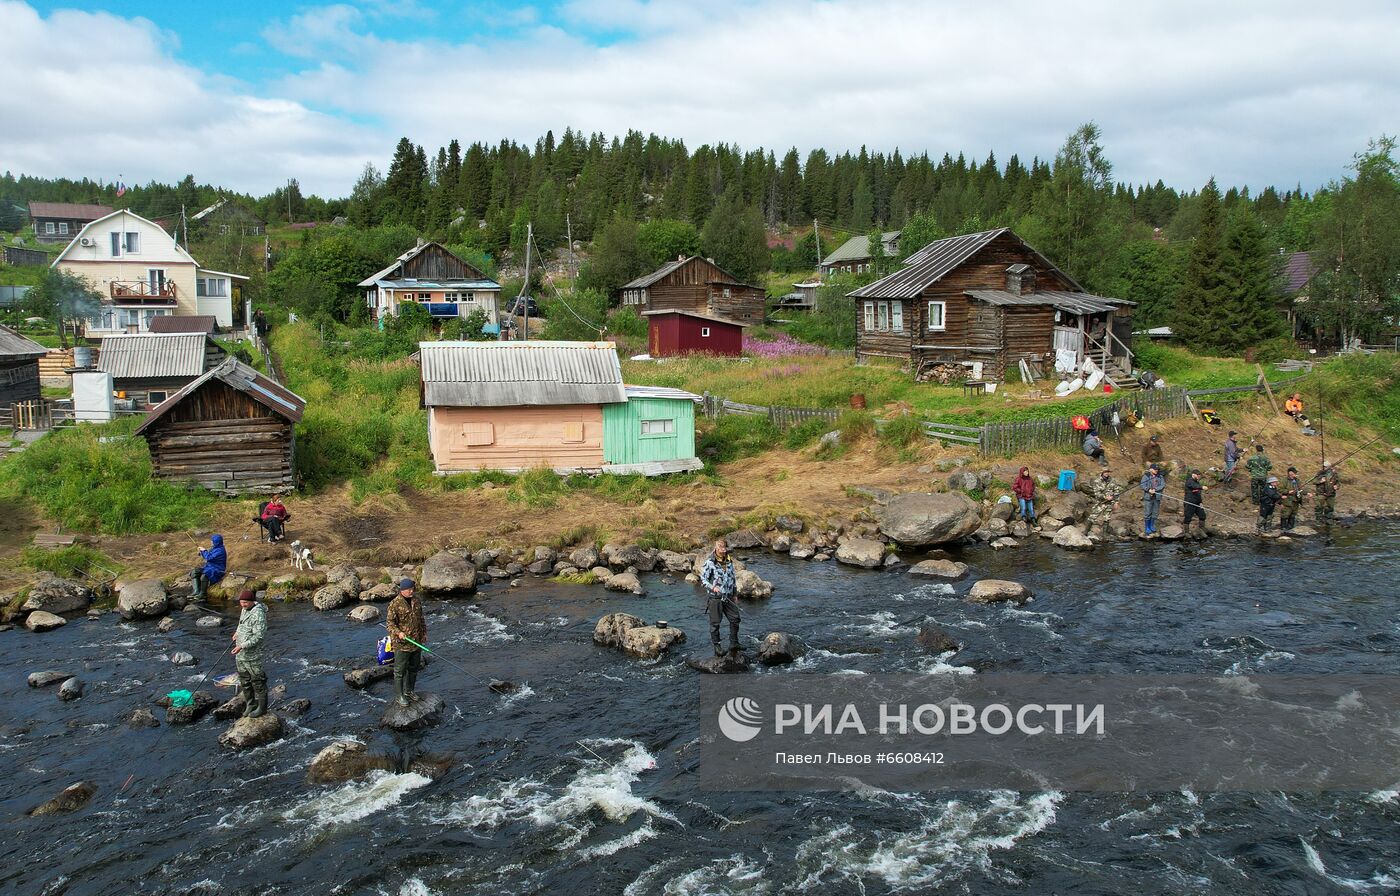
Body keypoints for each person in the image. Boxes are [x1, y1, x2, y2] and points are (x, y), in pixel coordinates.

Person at [386, 578, 427, 707]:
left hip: (416, 641)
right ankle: (400, 696)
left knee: (414, 668)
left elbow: (421, 619)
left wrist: (424, 634)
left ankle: (409, 691)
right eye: (409, 589)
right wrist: (399, 633)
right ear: (402, 590)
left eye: (412, 589)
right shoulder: (395, 604)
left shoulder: (416, 600)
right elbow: (390, 623)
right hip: (402, 644)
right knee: (400, 671)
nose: (411, 591)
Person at [230, 589, 268, 718]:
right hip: (240, 654)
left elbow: (259, 636)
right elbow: (242, 624)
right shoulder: (245, 609)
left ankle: (262, 708)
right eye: (241, 602)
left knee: (257, 680)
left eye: (245, 602)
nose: (243, 605)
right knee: (244, 680)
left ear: (252, 601)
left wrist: (242, 646)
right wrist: (237, 633)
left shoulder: (258, 614)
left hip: (252, 655)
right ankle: (250, 704)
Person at [700, 539, 740, 657]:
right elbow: (703, 580)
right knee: (715, 623)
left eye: (724, 548)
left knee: (735, 619)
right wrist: (713, 587)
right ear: (716, 548)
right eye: (720, 548)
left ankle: (734, 643)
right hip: (715, 598)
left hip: (728, 596)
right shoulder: (710, 562)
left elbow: (732, 578)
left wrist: (735, 594)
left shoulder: (729, 561)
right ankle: (717, 646)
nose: (723, 551)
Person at [1089, 469, 1123, 539]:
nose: (1107, 473)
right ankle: (1086, 532)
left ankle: (1104, 534)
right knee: (1092, 517)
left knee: (1107, 518)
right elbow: (1096, 494)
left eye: (1108, 472)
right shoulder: (1097, 481)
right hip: (1100, 503)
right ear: (1102, 472)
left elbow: (1116, 492)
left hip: (1110, 504)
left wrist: (1116, 502)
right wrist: (1105, 497)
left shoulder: (1112, 480)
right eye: (1105, 472)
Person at [192, 534, 226, 599]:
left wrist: (203, 550)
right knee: (195, 572)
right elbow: (208, 553)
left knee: (205, 575)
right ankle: (196, 591)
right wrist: (201, 552)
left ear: (216, 542)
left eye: (212, 541)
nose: (211, 542)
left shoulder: (220, 550)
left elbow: (209, 557)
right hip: (209, 567)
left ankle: (203, 594)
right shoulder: (214, 548)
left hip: (218, 569)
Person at [1140, 463, 1166, 536]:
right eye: (1155, 469)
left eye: (1157, 469)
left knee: (1155, 512)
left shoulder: (1160, 476)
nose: (1156, 471)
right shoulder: (1146, 476)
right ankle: (1147, 527)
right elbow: (1142, 485)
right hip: (1148, 497)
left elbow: (1162, 485)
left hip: (1157, 497)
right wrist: (1149, 490)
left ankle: (1152, 525)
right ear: (1150, 469)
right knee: (1148, 512)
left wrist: (1155, 489)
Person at [1314, 461, 1340, 528]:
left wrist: (1337, 486)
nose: (1325, 467)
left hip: (1331, 494)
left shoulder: (1334, 473)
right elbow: (1314, 481)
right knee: (1319, 507)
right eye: (1324, 466)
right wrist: (1321, 481)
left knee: (1330, 507)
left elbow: (1338, 482)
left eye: (1326, 466)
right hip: (1321, 493)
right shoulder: (1320, 473)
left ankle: (1328, 520)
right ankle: (1318, 520)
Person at [1182, 469, 1208, 535]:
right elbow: (1194, 486)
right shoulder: (1189, 481)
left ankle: (1201, 529)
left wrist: (1201, 502)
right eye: (1198, 475)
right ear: (1193, 474)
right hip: (1189, 502)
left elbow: (1198, 493)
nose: (1199, 476)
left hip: (1197, 503)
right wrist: (1202, 487)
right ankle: (1186, 532)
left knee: (1202, 516)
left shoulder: (1197, 482)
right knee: (1188, 517)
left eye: (1199, 475)